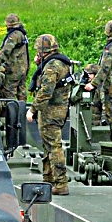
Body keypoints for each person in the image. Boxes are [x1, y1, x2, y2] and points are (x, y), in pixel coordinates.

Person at [25, 33, 74, 195]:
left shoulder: (51, 67)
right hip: (59, 110)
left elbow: (46, 91)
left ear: (43, 51)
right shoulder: (61, 62)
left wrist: (32, 109)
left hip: (51, 111)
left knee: (53, 147)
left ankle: (60, 183)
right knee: (48, 146)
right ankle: (49, 179)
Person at [0, 13, 30, 103]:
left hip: (14, 69)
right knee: (21, 91)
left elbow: (7, 49)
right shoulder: (22, 33)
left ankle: (10, 109)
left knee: (9, 91)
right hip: (23, 68)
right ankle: (23, 108)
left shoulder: (14, 35)